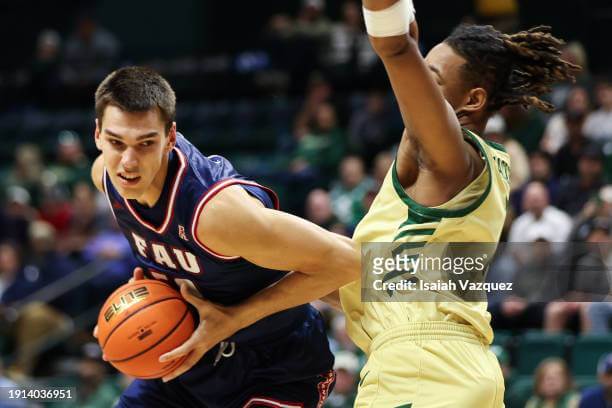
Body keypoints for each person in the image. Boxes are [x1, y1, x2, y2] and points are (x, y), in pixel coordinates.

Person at [338, 0, 579, 406]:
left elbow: (395, 50)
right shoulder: (452, 172)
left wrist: (395, 37)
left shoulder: (451, 160)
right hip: (455, 364)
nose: (416, 89)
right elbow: (343, 269)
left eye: (429, 79)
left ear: (473, 100)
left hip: (422, 369)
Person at [90, 67, 360, 407]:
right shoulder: (106, 176)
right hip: (189, 368)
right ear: (98, 134)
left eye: (146, 143)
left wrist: (234, 318)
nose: (128, 162)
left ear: (170, 137)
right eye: (116, 142)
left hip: (275, 369)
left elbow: (353, 261)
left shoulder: (218, 216)